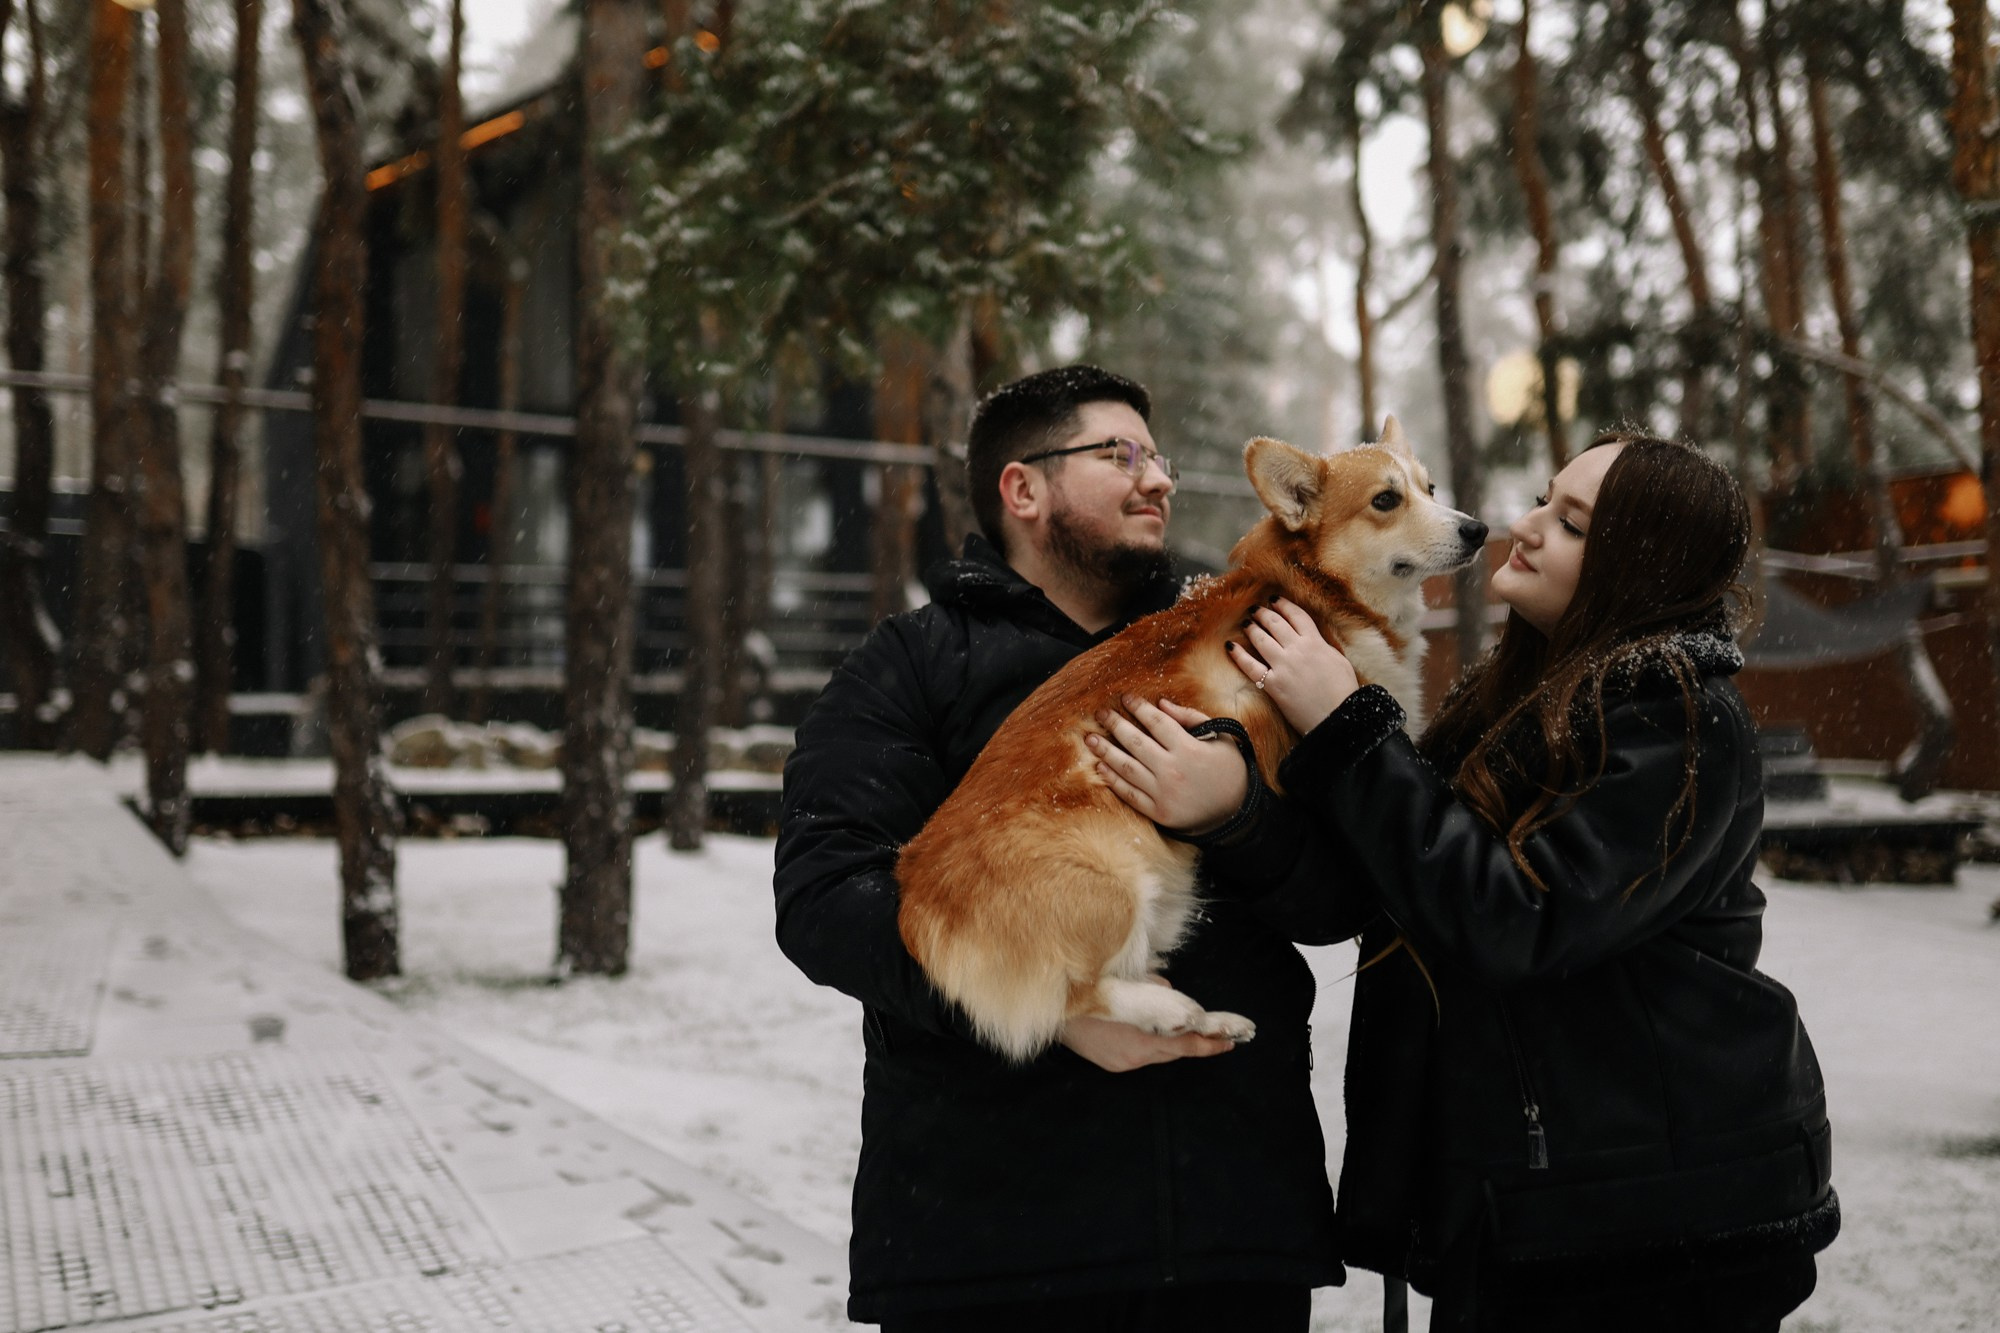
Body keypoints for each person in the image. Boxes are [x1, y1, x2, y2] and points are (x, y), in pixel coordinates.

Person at [1090, 430, 1839, 1332]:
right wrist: (1239, 811)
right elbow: (1392, 881)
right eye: (1545, 498)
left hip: (1648, 1219)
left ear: (1640, 566)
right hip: (1542, 1205)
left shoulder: (1676, 715)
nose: (1524, 524)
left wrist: (1349, 722)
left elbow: (1514, 918)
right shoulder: (1527, 695)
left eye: (1572, 523)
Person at [773, 365, 1345, 1331]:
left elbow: (1341, 898)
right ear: (1023, 488)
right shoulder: (912, 666)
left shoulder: (1246, 637)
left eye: (1158, 458)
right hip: (996, 1241)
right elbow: (828, 898)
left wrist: (1237, 814)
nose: (1157, 478)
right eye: (1119, 454)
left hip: (1229, 1226)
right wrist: (1047, 1006)